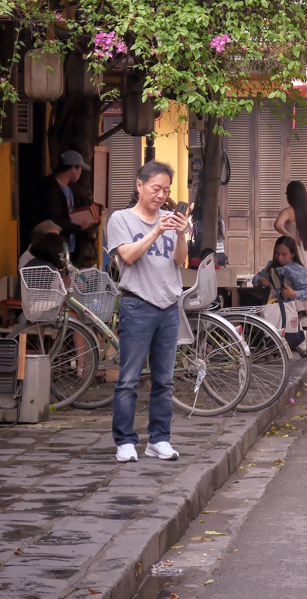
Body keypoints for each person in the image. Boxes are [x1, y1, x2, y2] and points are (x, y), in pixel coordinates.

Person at [106, 161, 188, 464]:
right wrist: (156, 231)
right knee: (128, 378)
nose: (161, 195)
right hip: (138, 305)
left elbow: (180, 260)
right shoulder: (121, 219)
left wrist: (181, 234)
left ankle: (159, 439)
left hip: (169, 306)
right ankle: (125, 442)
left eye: (166, 190)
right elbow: (127, 256)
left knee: (164, 380)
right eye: (156, 188)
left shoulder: (170, 219)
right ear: (139, 185)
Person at [253, 236, 307, 352]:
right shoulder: (271, 265)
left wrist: (294, 294)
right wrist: (259, 281)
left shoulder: (297, 270)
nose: (279, 257)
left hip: (287, 310)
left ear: (292, 254)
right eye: (277, 253)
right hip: (269, 307)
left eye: (284, 254)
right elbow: (256, 278)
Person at [37, 150, 92, 255]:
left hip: (67, 248)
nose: (81, 172)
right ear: (73, 168)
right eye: (80, 168)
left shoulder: (69, 188)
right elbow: (55, 221)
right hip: (53, 249)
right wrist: (80, 227)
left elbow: (70, 215)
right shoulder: (49, 188)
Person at [275, 180, 307, 288]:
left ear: (290, 196)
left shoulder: (287, 212)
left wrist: (291, 237)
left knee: (291, 282)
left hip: (292, 250)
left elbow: (277, 225)